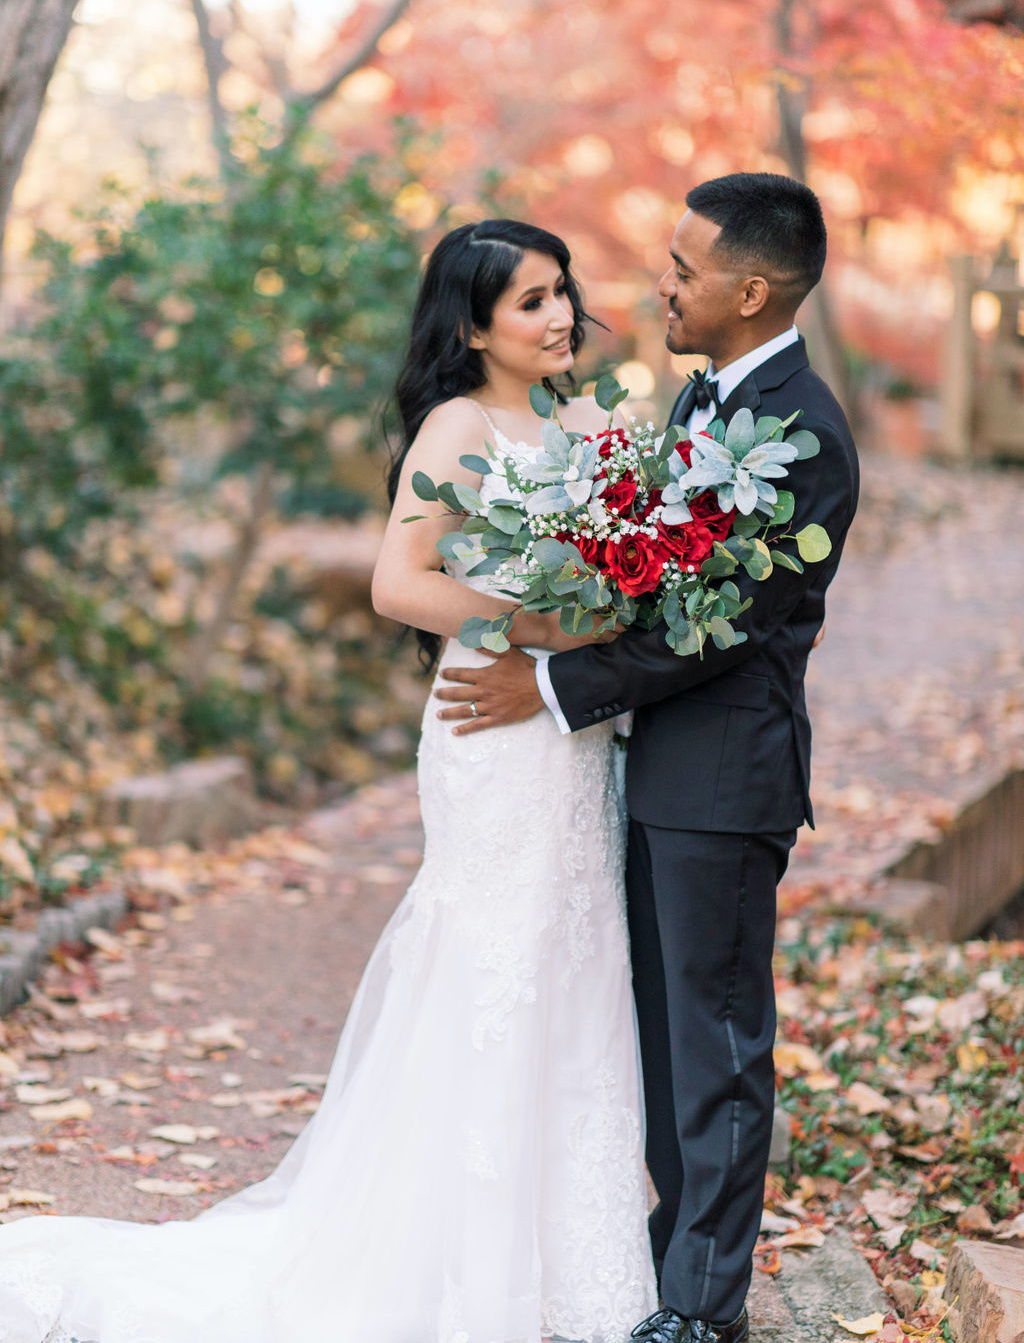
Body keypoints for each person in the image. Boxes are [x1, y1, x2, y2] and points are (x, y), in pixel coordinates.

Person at [0, 219, 657, 1342]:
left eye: (563, 294)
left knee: (578, 947)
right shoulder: (455, 429)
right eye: (532, 301)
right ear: (471, 324)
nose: (560, 317)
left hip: (576, 730)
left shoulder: (587, 418)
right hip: (490, 729)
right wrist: (532, 620)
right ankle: (462, 1258)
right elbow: (399, 585)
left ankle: (575, 1255)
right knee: (498, 954)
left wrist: (609, 603)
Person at [434, 174, 860, 1343]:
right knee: (668, 1039)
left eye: (683, 268)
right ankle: (670, 1266)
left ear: (751, 288)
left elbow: (719, 625)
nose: (661, 284)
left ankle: (698, 1306)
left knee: (718, 1045)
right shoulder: (698, 404)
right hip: (652, 769)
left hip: (724, 780)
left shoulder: (801, 432)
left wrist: (553, 680)